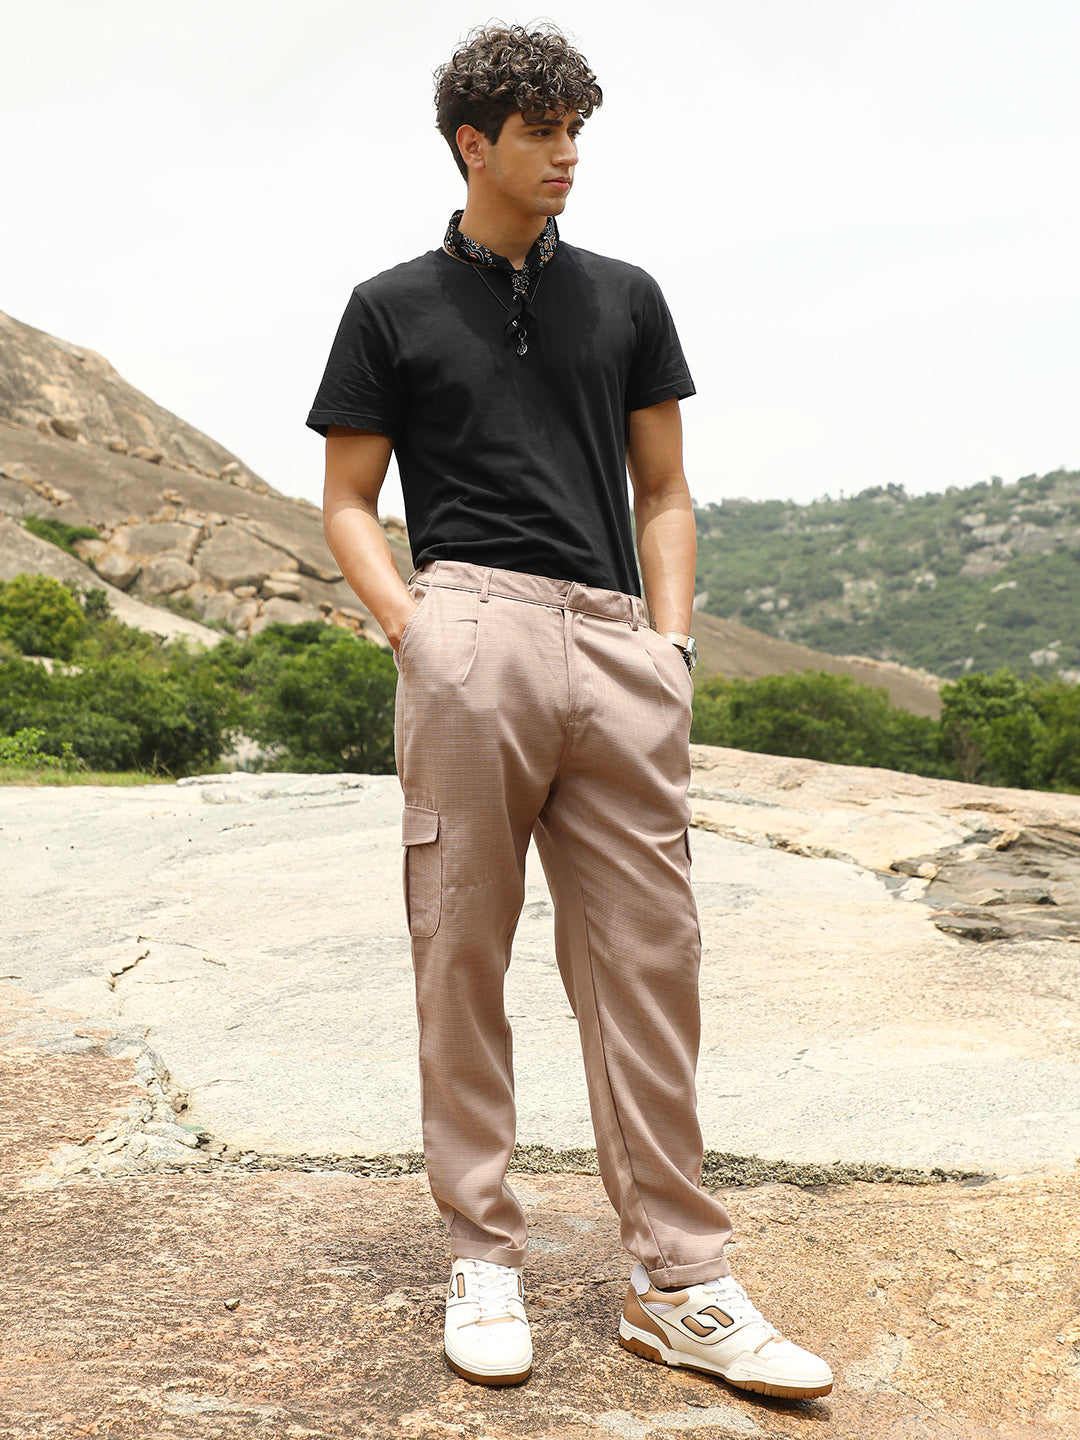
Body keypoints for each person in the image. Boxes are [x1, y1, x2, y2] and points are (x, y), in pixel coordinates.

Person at [307, 22, 832, 1402]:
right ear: (471, 144)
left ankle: (681, 1280)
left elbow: (665, 490)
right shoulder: (389, 305)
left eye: (575, 131)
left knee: (651, 961)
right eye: (540, 132)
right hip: (469, 631)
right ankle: (484, 1252)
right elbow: (348, 501)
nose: (566, 156)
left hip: (614, 643)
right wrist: (419, 633)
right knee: (460, 952)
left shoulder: (627, 297)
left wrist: (671, 647)